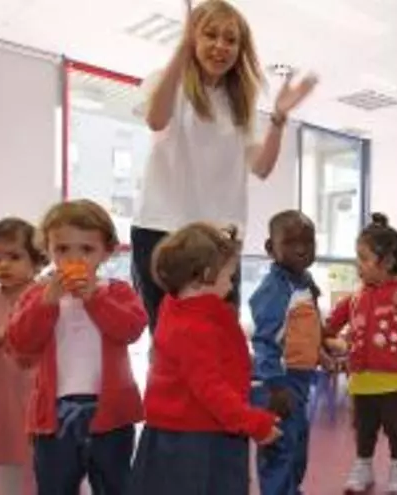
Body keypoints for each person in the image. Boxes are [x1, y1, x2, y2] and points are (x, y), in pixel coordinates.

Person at [131, 0, 318, 331]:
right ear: (194, 38)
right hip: (163, 229)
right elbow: (156, 119)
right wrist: (182, 49)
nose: (221, 46)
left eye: (231, 40)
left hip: (219, 240)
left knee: (219, 335)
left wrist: (279, 117)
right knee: (167, 335)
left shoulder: (239, 104)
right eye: (210, 35)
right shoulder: (167, 82)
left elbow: (261, 167)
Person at [128, 223, 280, 495]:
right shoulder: (195, 327)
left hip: (186, 435)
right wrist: (254, 423)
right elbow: (211, 389)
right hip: (197, 440)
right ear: (206, 274)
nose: (231, 284)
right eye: (229, 276)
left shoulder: (177, 309)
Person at [6, 200, 147, 495]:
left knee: (115, 485)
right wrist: (46, 303)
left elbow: (131, 329)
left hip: (111, 414)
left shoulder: (117, 291)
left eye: (86, 249)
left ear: (107, 251)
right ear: (47, 250)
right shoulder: (36, 295)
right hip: (53, 417)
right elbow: (20, 341)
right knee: (55, 486)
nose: (74, 258)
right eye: (62, 249)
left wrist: (95, 298)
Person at [325, 213, 397, 494]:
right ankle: (363, 466)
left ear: (385, 262)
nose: (357, 265)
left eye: (363, 258)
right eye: (357, 258)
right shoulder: (355, 297)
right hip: (361, 378)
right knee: (364, 427)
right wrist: (321, 334)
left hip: (393, 379)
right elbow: (331, 324)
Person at [249, 211, 324, 494]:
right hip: (279, 382)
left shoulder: (304, 281)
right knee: (279, 448)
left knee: (297, 447)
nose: (301, 249)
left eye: (308, 241)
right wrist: (275, 386)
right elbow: (265, 341)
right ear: (271, 248)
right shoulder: (276, 288)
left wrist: (322, 352)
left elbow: (304, 328)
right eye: (291, 243)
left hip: (300, 382)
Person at [0, 218, 46, 495]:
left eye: (14, 257)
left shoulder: (44, 295)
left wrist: (1, 335)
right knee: (5, 454)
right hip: (0, 393)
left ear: (37, 260)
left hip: (39, 391)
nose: (3, 265)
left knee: (48, 458)